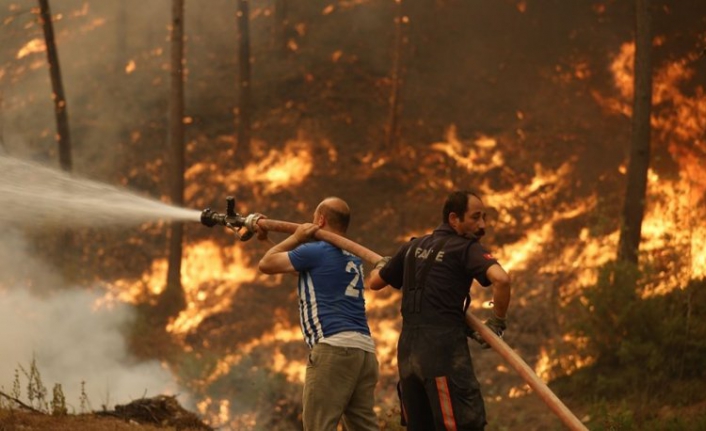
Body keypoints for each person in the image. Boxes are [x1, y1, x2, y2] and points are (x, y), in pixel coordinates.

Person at [367, 190, 511, 430]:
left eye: (484, 217)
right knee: (462, 424)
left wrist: (383, 264)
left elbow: (375, 282)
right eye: (475, 217)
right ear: (454, 219)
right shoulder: (466, 247)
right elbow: (502, 280)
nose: (482, 225)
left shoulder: (412, 247)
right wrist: (497, 322)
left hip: (408, 353)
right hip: (443, 353)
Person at [257, 197, 379, 431]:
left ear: (320, 220)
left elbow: (266, 264)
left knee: (318, 426)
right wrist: (266, 241)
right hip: (364, 352)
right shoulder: (351, 258)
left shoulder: (316, 250)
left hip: (334, 349)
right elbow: (297, 270)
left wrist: (296, 237)